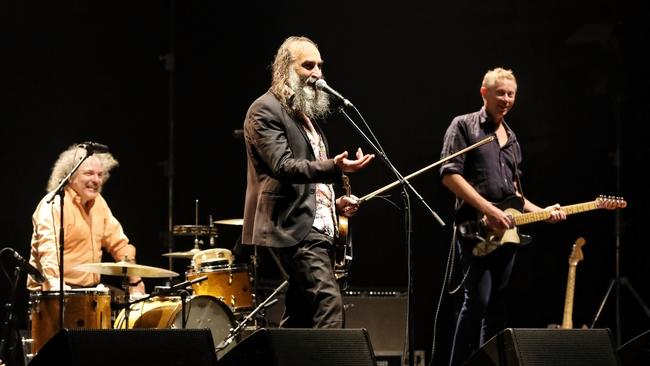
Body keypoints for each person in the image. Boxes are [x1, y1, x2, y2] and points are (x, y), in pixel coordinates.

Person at [241, 36, 374, 328]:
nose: (318, 74)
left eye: (320, 66)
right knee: (329, 303)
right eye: (308, 66)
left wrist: (333, 203)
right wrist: (335, 167)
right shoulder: (265, 110)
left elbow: (310, 180)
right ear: (285, 68)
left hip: (316, 225)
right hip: (293, 226)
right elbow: (283, 166)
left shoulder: (303, 116)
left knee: (300, 315)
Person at [439, 67, 566, 366]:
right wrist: (490, 210)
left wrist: (543, 213)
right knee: (477, 301)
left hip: (506, 233)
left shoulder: (511, 137)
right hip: (476, 228)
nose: (506, 99)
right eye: (501, 93)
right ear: (484, 93)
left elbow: (516, 196)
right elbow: (449, 175)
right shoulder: (464, 126)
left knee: (497, 306)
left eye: (511, 94)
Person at [27, 143, 146, 296]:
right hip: (55, 292)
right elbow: (48, 251)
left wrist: (135, 281)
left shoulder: (99, 204)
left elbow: (119, 245)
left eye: (100, 175)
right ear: (70, 175)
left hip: (90, 292)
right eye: (89, 173)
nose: (96, 180)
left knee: (135, 307)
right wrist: (57, 287)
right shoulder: (53, 204)